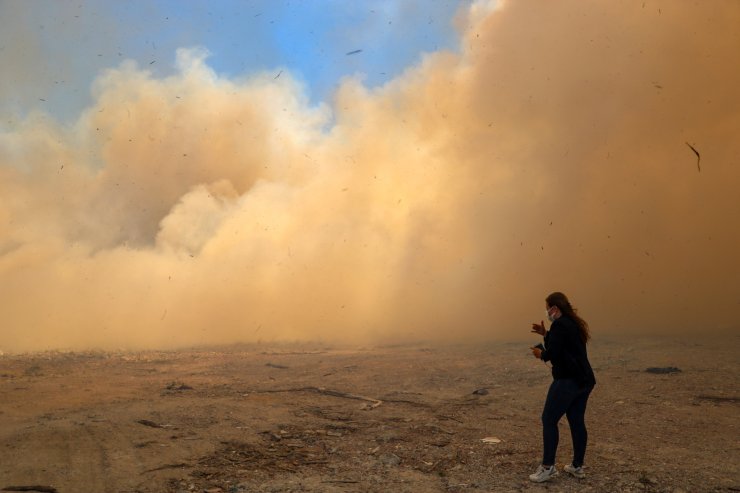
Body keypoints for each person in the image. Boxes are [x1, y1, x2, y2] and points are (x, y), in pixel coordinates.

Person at [528, 291, 596, 483]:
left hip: (568, 381)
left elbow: (553, 354)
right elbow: (562, 346)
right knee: (576, 421)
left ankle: (548, 467)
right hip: (584, 380)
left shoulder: (560, 325)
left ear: (555, 308)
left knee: (549, 419)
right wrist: (545, 334)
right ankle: (577, 466)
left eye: (548, 307)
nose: (547, 312)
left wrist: (539, 353)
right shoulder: (572, 323)